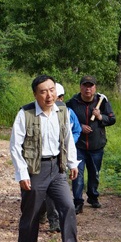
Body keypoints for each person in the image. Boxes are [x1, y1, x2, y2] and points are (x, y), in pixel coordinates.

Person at [10, 75, 88, 242]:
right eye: (43, 91)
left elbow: (67, 137)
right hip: (35, 169)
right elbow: (14, 146)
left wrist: (72, 163)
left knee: (68, 206)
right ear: (35, 94)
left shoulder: (62, 111)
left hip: (57, 167)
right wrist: (22, 174)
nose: (49, 95)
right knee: (32, 212)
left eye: (51, 90)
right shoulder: (25, 114)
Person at [70, 75, 116, 211]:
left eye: (90, 86)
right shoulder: (72, 103)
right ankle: (78, 202)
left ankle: (93, 196)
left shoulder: (102, 102)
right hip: (79, 145)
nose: (87, 89)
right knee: (77, 174)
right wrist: (79, 126)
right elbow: (65, 120)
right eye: (85, 85)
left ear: (95, 88)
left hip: (96, 146)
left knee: (94, 174)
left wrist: (100, 116)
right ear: (80, 87)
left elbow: (112, 119)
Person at [45, 83, 84, 232]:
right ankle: (50, 217)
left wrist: (69, 145)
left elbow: (75, 131)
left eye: (60, 98)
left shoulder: (68, 113)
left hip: (63, 156)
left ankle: (57, 220)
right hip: (47, 159)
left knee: (58, 190)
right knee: (45, 192)